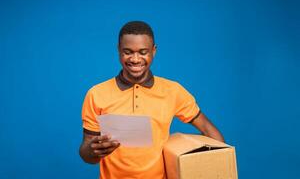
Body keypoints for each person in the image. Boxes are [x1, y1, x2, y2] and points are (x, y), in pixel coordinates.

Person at [79, 21, 224, 179]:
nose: (135, 59)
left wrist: (221, 164)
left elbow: (207, 128)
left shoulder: (172, 91)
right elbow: (87, 153)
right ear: (118, 50)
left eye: (143, 52)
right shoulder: (96, 94)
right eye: (128, 52)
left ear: (153, 51)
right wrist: (92, 152)